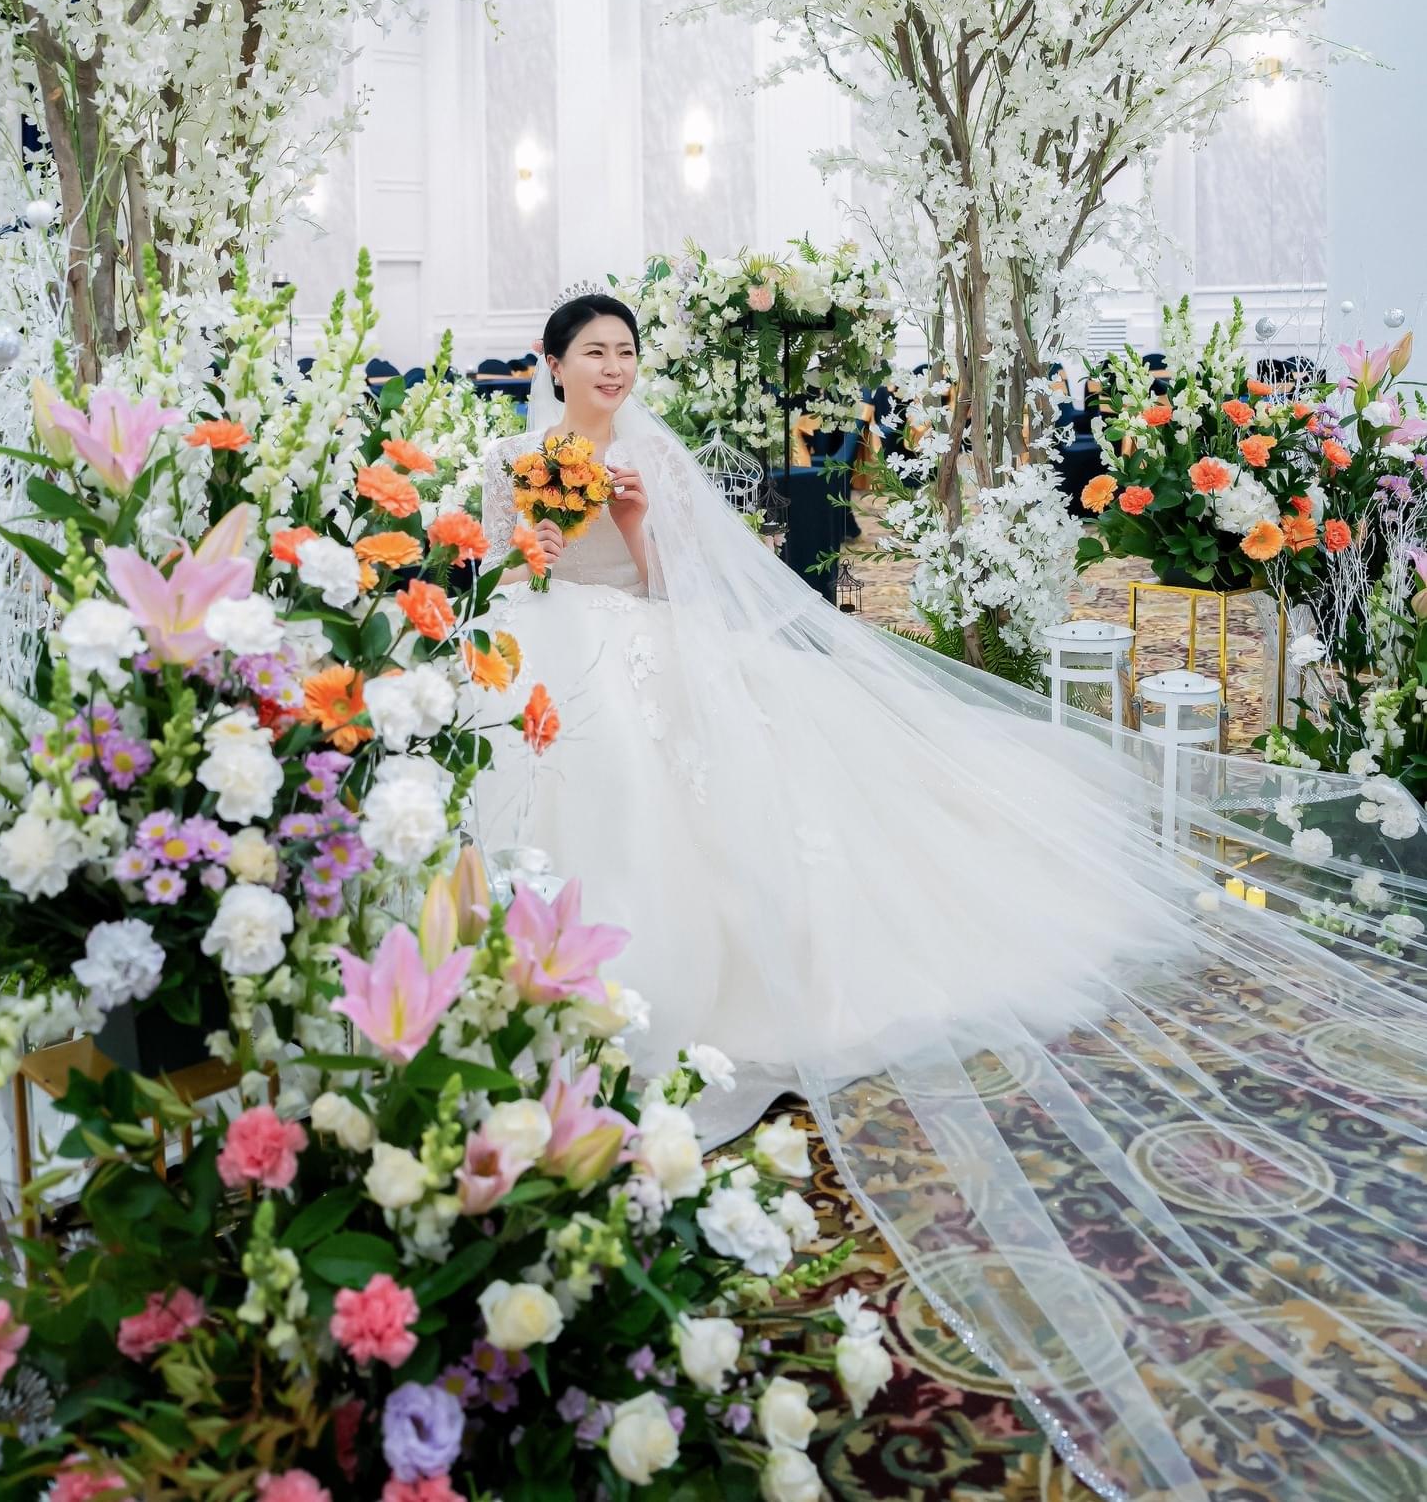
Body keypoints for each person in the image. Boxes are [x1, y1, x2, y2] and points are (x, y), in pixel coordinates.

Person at [473, 289, 1427, 1502]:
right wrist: (548, 529)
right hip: (547, 649)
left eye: (624, 352)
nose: (612, 368)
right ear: (552, 364)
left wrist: (632, 518)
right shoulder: (507, 459)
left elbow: (678, 592)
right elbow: (505, 573)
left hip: (655, 649)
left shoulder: (652, 458)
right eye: (593, 353)